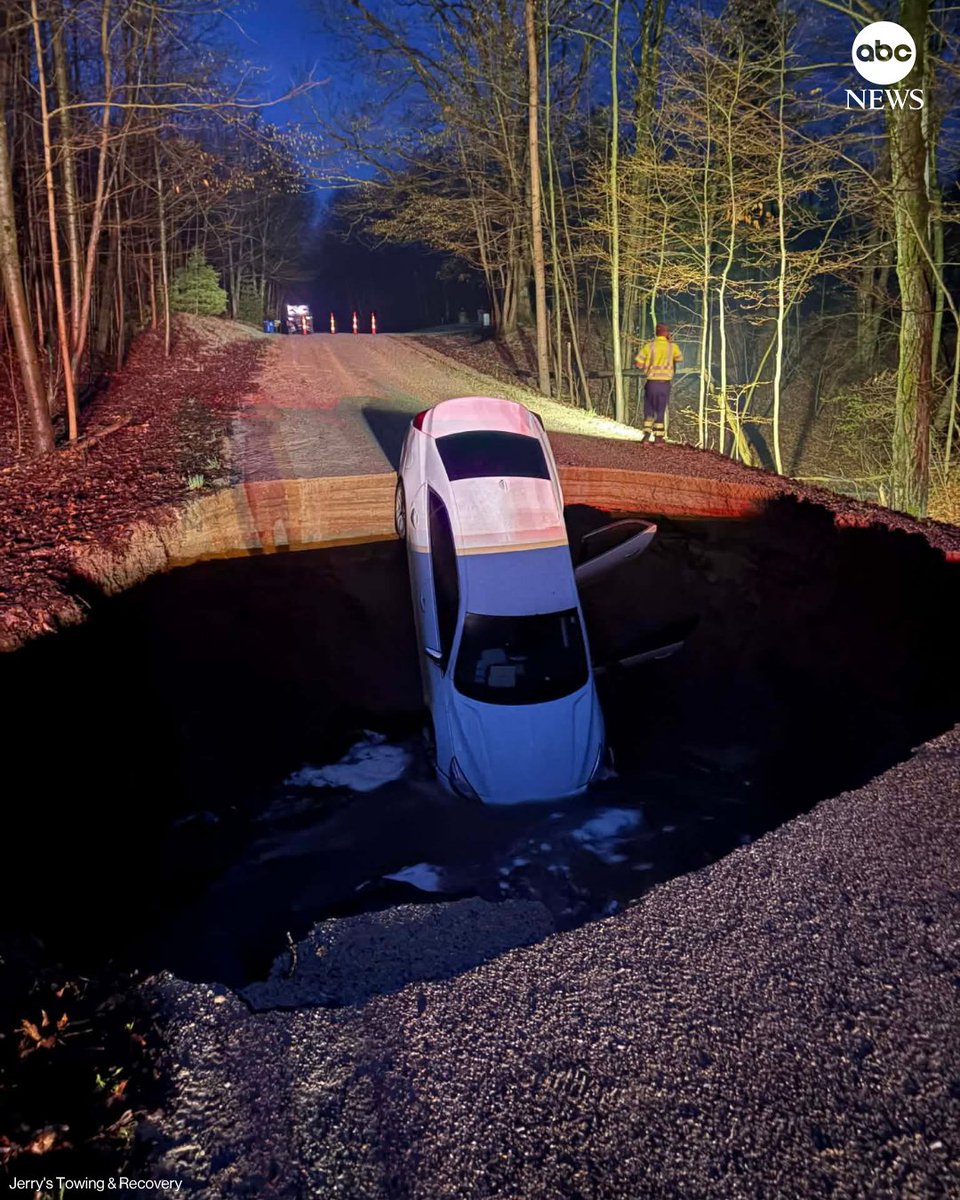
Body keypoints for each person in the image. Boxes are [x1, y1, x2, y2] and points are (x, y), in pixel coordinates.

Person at [634, 323, 682, 443]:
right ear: (666, 333)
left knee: (649, 408)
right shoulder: (673, 347)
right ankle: (658, 438)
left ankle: (646, 436)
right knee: (660, 410)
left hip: (651, 383)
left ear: (656, 333)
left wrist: (647, 365)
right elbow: (679, 359)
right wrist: (670, 342)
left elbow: (638, 363)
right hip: (664, 384)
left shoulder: (649, 347)